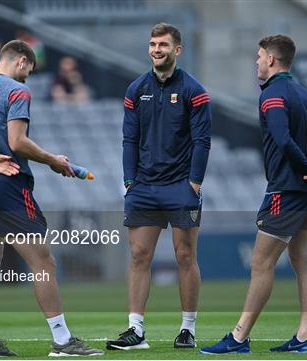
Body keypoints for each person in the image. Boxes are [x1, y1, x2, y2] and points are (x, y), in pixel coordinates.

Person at [0, 39, 103, 358]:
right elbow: (17, 142)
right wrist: (52, 159)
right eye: (29, 72)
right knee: (43, 262)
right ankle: (62, 341)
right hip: (8, 184)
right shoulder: (17, 90)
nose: (27, 79)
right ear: (21, 61)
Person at [200, 34, 307, 355]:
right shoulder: (305, 96)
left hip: (285, 190)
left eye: (259, 56)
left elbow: (282, 139)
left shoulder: (273, 95)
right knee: (304, 260)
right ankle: (305, 336)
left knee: (260, 263)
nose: (257, 61)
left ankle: (238, 338)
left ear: (272, 60)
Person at [106, 23, 211, 351]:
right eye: (152, 44)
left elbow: (202, 141)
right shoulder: (136, 90)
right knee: (138, 255)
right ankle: (135, 331)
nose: (156, 49)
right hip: (144, 187)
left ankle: (187, 329)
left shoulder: (195, 91)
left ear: (177, 50)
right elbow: (129, 139)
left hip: (181, 186)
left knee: (184, 255)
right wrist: (129, 180)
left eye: (163, 44)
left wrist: (194, 182)